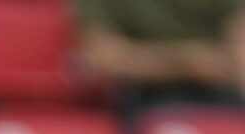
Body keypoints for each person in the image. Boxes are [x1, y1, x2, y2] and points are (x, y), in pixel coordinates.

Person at [74, 0, 245, 106]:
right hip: (149, 95)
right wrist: (187, 63)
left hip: (223, 91)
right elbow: (102, 59)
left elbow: (237, 36)